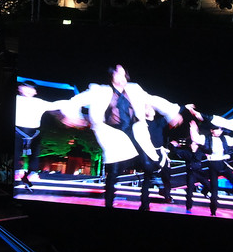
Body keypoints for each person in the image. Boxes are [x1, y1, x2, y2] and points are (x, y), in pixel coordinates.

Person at [56, 64, 181, 210]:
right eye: (117, 74)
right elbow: (77, 100)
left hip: (134, 132)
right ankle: (109, 204)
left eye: (124, 75)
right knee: (114, 171)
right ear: (112, 76)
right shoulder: (100, 91)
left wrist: (172, 112)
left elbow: (152, 99)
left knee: (149, 165)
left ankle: (144, 203)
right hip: (113, 135)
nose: (121, 78)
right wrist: (71, 115)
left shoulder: (135, 90)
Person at [13, 84, 60, 185]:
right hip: (17, 129)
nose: (29, 90)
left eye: (32, 89)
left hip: (33, 132)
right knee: (15, 151)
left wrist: (72, 104)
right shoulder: (16, 99)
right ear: (20, 89)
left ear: (35, 92)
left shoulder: (39, 102)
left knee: (35, 153)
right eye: (26, 88)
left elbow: (55, 105)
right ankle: (15, 171)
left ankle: (33, 172)